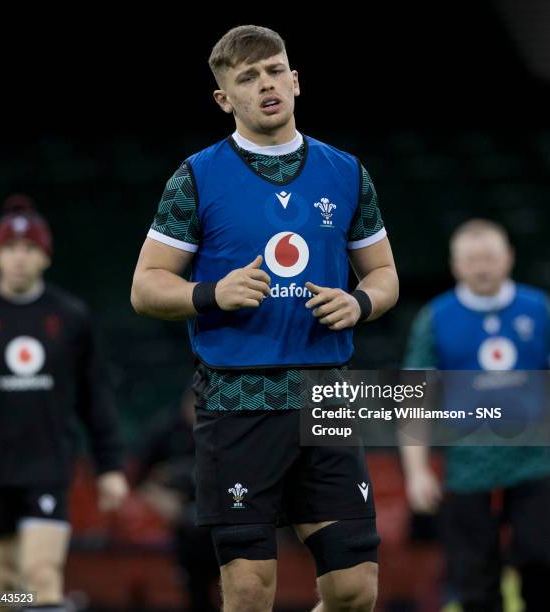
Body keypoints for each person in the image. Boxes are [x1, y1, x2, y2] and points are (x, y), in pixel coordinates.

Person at [131, 25, 399, 612]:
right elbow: (146, 288)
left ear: (296, 81)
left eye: (275, 71)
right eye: (247, 78)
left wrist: (360, 302)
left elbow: (383, 274)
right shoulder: (196, 177)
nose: (266, 85)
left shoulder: (346, 172)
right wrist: (210, 293)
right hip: (237, 403)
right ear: (225, 100)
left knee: (355, 590)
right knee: (251, 592)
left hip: (325, 396)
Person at [0, 195, 129, 612]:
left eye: (30, 249)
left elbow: (96, 393)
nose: (20, 258)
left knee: (40, 579)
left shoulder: (71, 317)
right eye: (11, 248)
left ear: (46, 257)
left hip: (47, 468)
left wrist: (109, 467)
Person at [400, 219, 550, 612]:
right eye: (472, 259)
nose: (482, 266)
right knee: (473, 578)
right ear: (455, 265)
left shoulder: (539, 309)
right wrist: (416, 472)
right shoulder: (435, 318)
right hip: (466, 465)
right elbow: (414, 397)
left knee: (542, 562)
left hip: (536, 461)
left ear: (508, 258)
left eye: (489, 257)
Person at [133, 387, 220, 612]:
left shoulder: (225, 432)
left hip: (220, 522)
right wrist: (161, 501)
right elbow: (136, 482)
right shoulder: (165, 431)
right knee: (195, 594)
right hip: (182, 527)